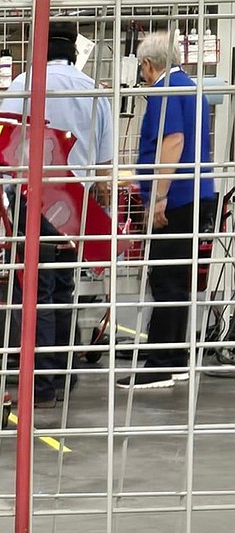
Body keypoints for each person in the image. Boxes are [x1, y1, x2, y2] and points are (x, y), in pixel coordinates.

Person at [0, 17, 115, 404]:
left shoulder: (23, 85)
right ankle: (64, 375)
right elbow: (103, 167)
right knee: (64, 286)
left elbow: (4, 144)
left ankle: (41, 384)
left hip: (33, 199)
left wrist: (4, 195)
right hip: (74, 203)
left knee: (36, 288)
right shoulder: (94, 92)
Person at [125, 31, 217, 389]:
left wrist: (158, 195)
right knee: (178, 280)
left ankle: (160, 363)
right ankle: (176, 357)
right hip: (197, 196)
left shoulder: (164, 90)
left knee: (164, 279)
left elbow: (172, 140)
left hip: (177, 199)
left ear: (148, 64)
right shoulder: (192, 88)